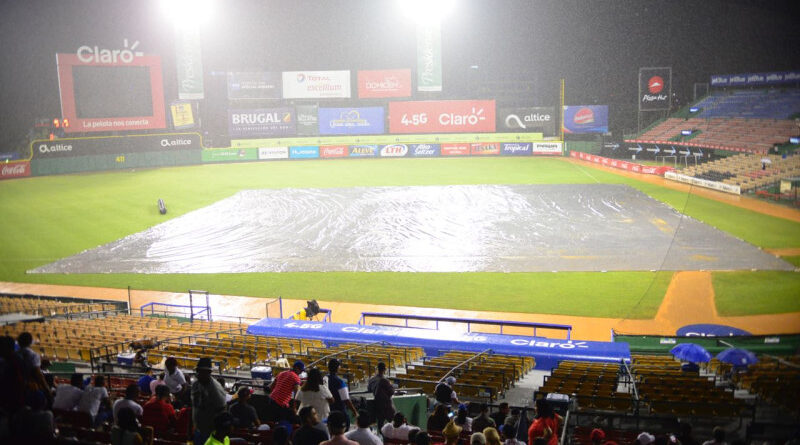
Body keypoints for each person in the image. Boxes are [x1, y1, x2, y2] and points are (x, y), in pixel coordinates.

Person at [191, 357, 228, 445]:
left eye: (202, 372)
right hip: (198, 429)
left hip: (210, 433)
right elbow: (194, 406)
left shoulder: (215, 389)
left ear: (209, 372)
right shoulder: (196, 384)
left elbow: (222, 412)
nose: (199, 374)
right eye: (198, 371)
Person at [328, 358, 359, 430]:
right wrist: (355, 412)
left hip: (329, 411)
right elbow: (346, 399)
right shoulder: (340, 382)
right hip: (340, 412)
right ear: (338, 368)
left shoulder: (325, 379)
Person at [369, 362, 395, 429]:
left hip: (377, 403)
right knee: (393, 422)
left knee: (380, 423)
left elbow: (369, 389)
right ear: (385, 369)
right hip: (386, 405)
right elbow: (392, 392)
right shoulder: (385, 380)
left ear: (377, 369)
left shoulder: (371, 379)